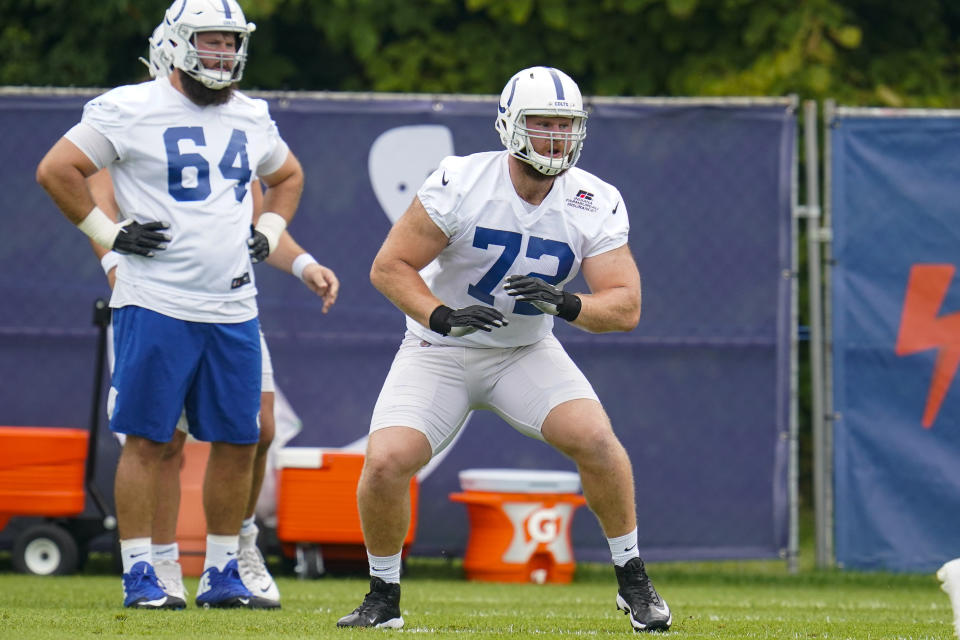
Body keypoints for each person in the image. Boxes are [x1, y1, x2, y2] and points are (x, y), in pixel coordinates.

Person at [337, 66, 672, 632]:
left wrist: (566, 304)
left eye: (565, 126)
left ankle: (632, 578)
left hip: (523, 350)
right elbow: (389, 267)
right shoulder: (461, 181)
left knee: (597, 440)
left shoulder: (594, 199)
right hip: (438, 348)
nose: (554, 138)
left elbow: (626, 306)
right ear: (510, 125)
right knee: (387, 461)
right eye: (541, 124)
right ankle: (383, 594)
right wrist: (441, 316)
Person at [37, 0, 304, 609]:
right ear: (179, 44)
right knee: (149, 440)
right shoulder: (130, 106)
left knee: (239, 440)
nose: (223, 55)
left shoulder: (252, 114)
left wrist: (268, 227)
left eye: (231, 43)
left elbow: (288, 177)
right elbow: (57, 169)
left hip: (233, 305)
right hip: (155, 299)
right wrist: (107, 235)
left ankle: (220, 573)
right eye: (211, 42)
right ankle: (140, 574)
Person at [89, 168, 339, 608]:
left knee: (259, 430)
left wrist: (304, 265)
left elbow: (259, 229)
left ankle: (238, 551)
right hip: (155, 305)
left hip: (231, 308)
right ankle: (161, 565)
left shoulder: (241, 129)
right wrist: (113, 259)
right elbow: (92, 187)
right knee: (161, 440)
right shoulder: (141, 116)